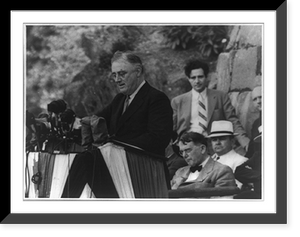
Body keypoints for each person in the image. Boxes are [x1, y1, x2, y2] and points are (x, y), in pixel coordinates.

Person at [168, 59, 250, 178]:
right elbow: (171, 127)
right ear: (188, 78)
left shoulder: (220, 97)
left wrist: (245, 142)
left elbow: (233, 120)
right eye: (193, 77)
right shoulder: (178, 101)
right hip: (189, 147)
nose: (197, 81)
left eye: (200, 77)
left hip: (214, 144)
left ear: (207, 77)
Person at [96, 50, 173, 156]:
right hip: (119, 163)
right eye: (114, 75)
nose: (117, 80)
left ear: (138, 71)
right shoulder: (119, 99)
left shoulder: (156, 99)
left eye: (122, 74)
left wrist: (116, 144)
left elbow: (158, 139)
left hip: (145, 166)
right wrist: (78, 123)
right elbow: (98, 120)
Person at [169, 132, 239, 198]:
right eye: (182, 152)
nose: (184, 155)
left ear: (202, 149)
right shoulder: (179, 172)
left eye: (188, 150)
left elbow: (221, 204)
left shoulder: (222, 171)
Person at [208, 120, 260, 196]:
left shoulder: (241, 162)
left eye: (222, 138)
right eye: (214, 139)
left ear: (232, 141)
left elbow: (239, 191)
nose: (217, 142)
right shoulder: (209, 160)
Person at [245, 85, 262, 158]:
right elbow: (252, 149)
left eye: (261, 97)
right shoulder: (256, 124)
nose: (258, 101)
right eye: (255, 99)